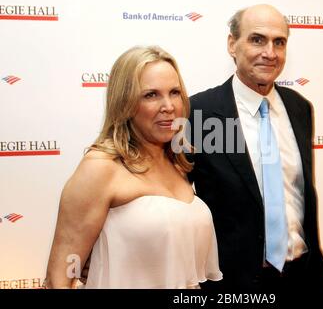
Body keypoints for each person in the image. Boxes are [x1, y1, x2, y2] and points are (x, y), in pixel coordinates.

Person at [45, 45, 222, 289]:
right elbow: (60, 277)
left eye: (174, 92)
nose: (168, 106)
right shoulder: (101, 167)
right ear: (124, 102)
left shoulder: (178, 161)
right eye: (151, 95)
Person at [188, 4, 323, 290]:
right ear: (232, 44)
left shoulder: (299, 107)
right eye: (257, 39)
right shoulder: (200, 114)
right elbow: (179, 199)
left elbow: (297, 196)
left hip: (305, 274)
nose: (270, 53)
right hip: (236, 283)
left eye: (279, 42)